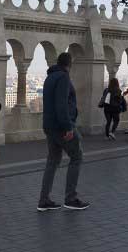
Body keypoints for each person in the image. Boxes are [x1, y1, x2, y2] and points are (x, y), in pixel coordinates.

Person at [38, 52, 89, 211]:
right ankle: (71, 198)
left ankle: (44, 200)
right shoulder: (63, 78)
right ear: (69, 64)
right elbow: (61, 105)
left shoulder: (49, 78)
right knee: (77, 156)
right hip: (61, 126)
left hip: (49, 126)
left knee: (52, 161)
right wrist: (68, 127)